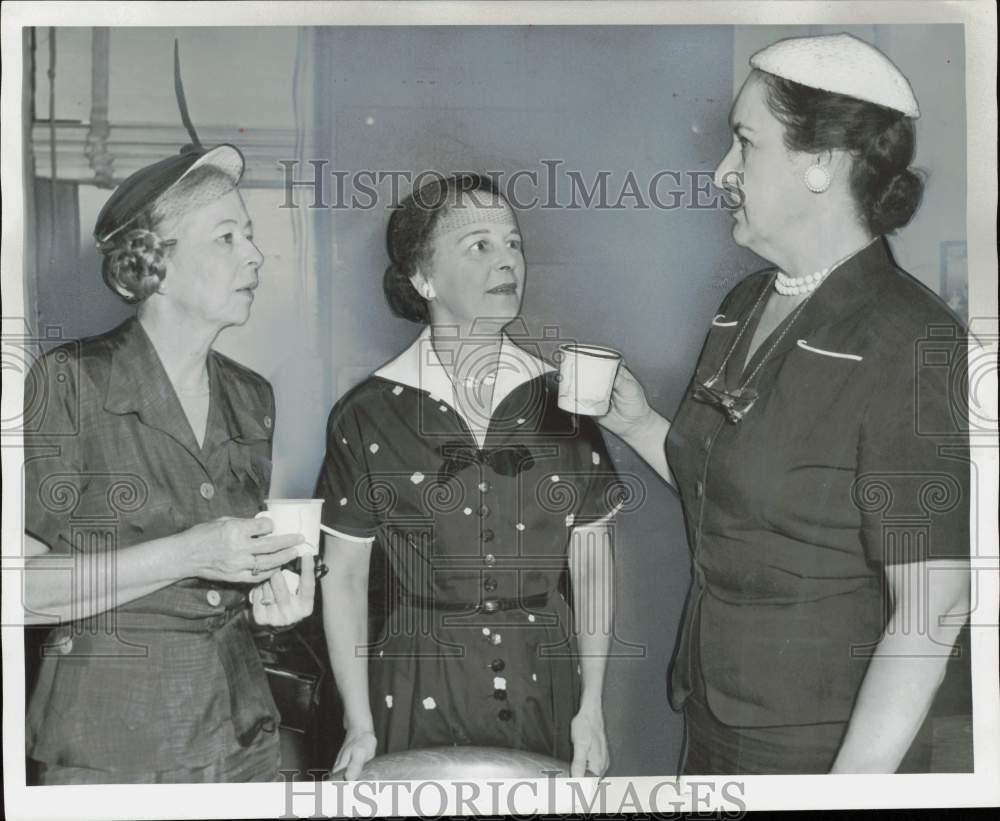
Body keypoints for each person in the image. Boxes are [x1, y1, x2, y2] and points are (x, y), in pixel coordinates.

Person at [600, 33, 970, 774]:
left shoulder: (913, 341)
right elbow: (739, 496)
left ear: (821, 163)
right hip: (711, 709)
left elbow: (938, 605)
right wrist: (639, 423)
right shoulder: (744, 304)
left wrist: (849, 790)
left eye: (745, 144)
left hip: (821, 740)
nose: (722, 172)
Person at [23, 142, 316, 784]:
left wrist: (272, 589)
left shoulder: (251, 395)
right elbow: (19, 588)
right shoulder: (71, 383)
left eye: (251, 235)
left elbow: (230, 560)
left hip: (243, 736)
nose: (255, 255)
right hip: (112, 741)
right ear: (154, 262)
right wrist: (188, 553)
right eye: (226, 236)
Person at [317, 174, 621, 778]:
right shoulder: (369, 411)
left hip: (545, 684)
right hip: (412, 682)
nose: (507, 259)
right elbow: (344, 577)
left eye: (513, 243)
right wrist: (358, 721)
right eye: (478, 245)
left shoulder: (565, 403)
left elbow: (591, 563)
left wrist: (591, 707)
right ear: (422, 278)